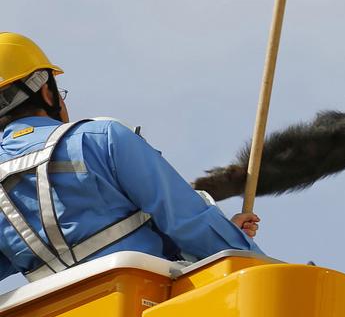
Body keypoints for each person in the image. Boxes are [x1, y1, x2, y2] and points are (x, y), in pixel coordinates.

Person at [0, 32, 262, 282]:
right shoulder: (100, 139)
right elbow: (190, 223)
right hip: (146, 308)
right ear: (46, 90)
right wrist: (246, 257)